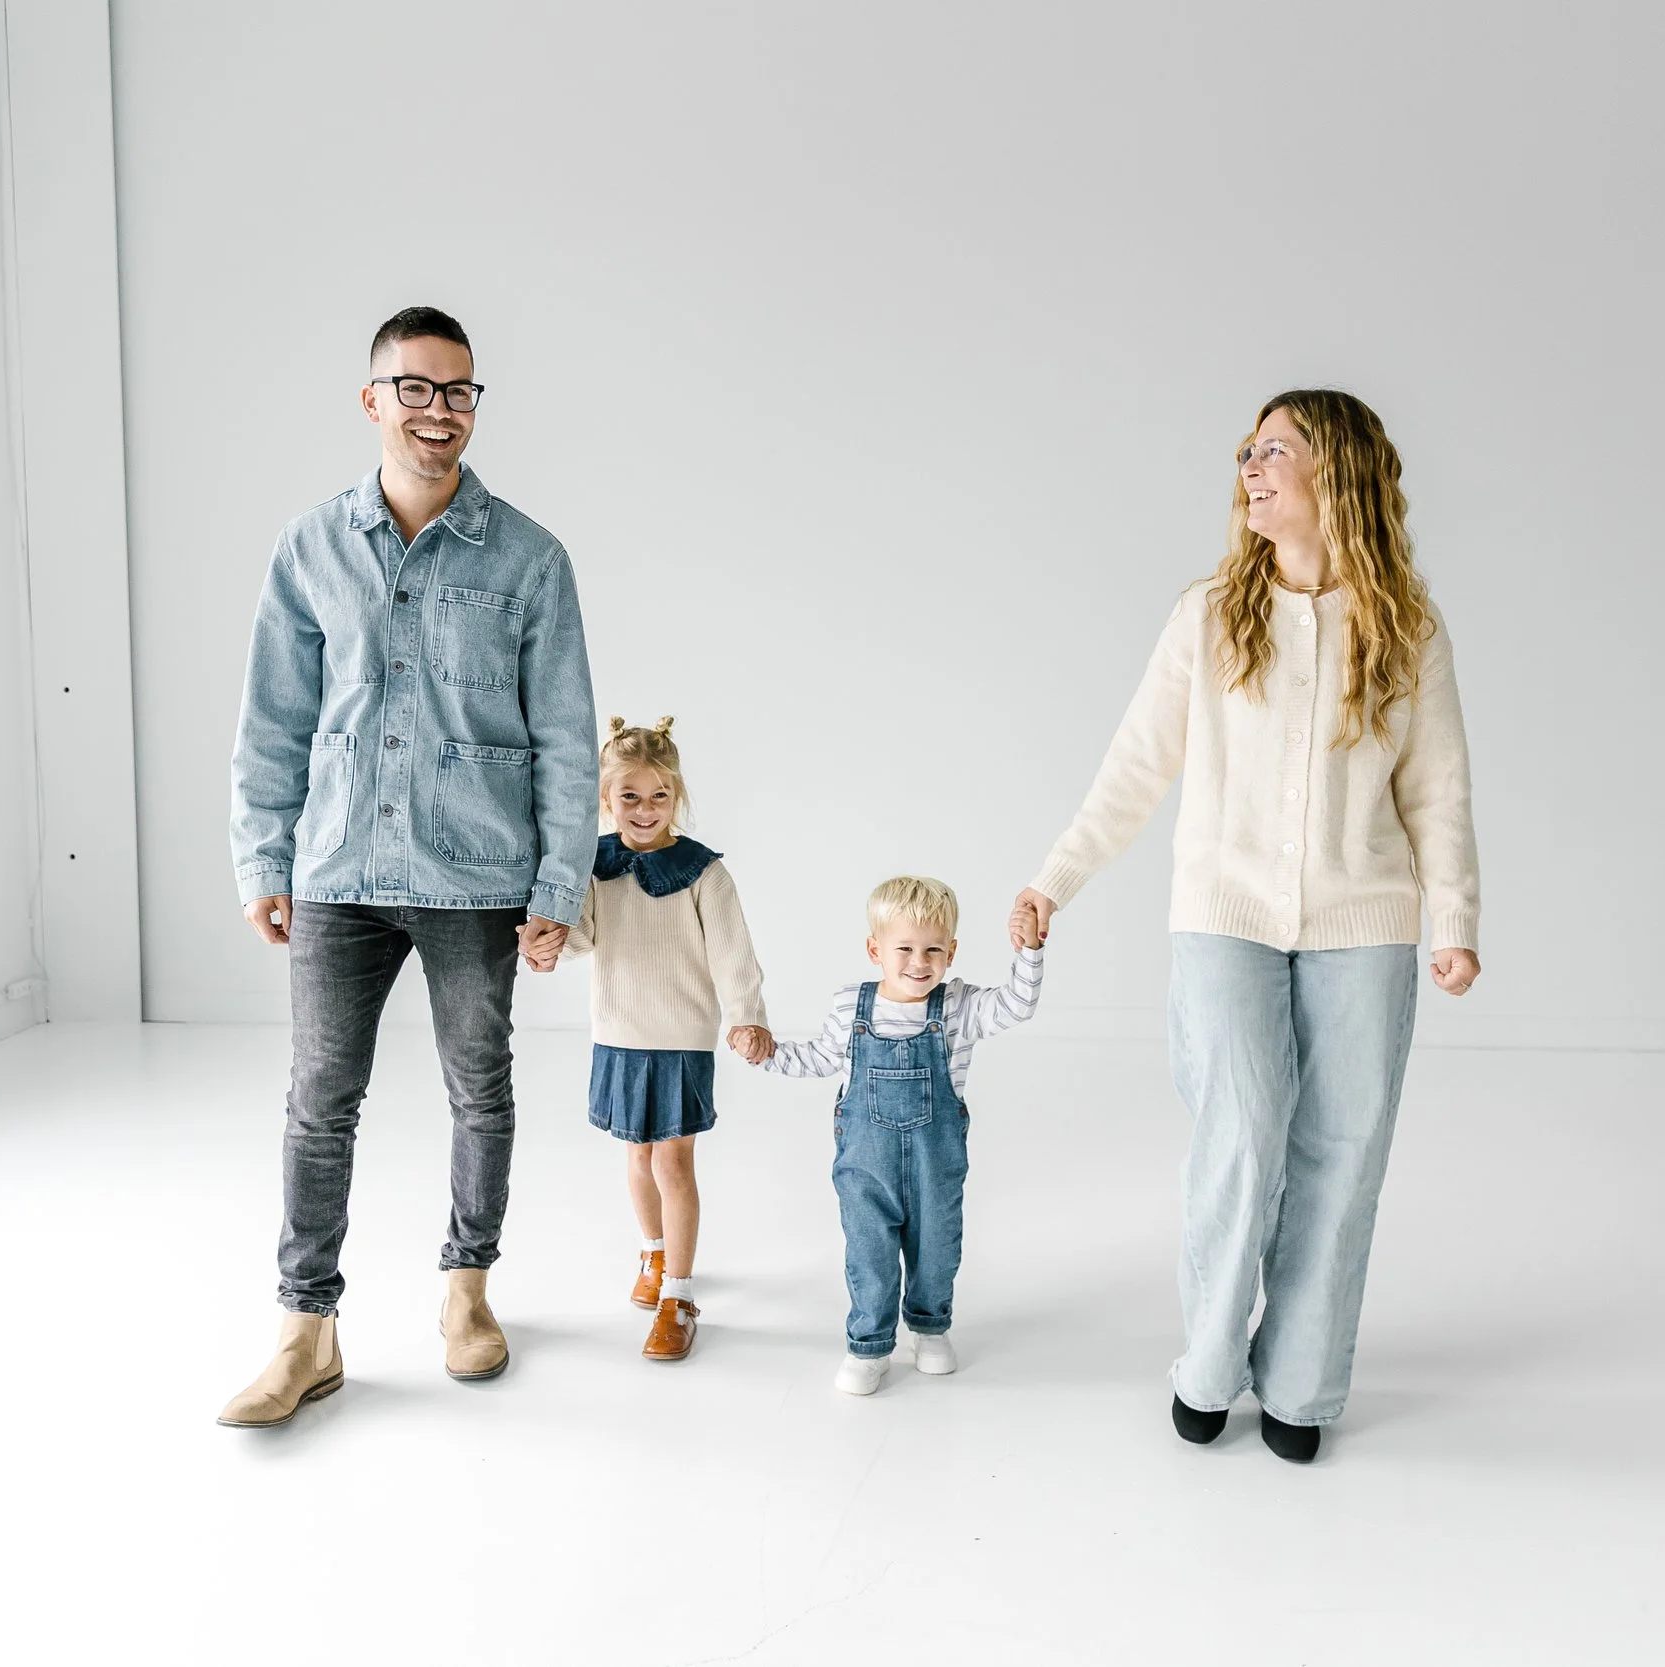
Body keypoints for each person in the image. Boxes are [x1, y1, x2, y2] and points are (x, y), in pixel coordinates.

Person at [1014, 389, 1480, 1463]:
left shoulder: (1408, 626)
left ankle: (1300, 1384)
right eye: (1246, 450)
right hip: (1223, 914)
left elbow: (1439, 791)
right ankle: (1211, 1360)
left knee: (1343, 1149)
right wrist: (1054, 879)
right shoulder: (1210, 613)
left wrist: (1452, 917)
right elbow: (1136, 764)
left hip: (1365, 920)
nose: (1250, 467)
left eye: (1275, 448)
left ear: (1337, 470)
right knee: (1242, 1132)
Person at [218, 306, 599, 1428]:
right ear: (373, 398)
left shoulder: (530, 558)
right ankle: (305, 1329)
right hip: (337, 866)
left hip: (477, 874)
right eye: (418, 388)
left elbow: (567, 737)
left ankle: (467, 1290)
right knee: (318, 1100)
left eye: (459, 390)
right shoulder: (310, 547)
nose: (441, 411)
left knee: (480, 1088)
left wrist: (558, 886)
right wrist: (263, 854)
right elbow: (273, 719)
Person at [756, 877, 1046, 1395]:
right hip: (866, 1166)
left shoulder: (958, 1007)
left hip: (937, 1165)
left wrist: (1028, 950)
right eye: (905, 949)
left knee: (937, 1248)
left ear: (951, 952)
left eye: (934, 950)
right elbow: (819, 1058)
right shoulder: (851, 1007)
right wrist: (768, 1053)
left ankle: (930, 1328)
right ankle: (868, 1345)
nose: (919, 962)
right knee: (869, 1254)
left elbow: (1017, 1005)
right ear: (875, 950)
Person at [554, 717, 774, 1363]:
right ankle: (653, 1253)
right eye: (630, 796)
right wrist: (543, 929)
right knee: (637, 1155)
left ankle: (679, 1295)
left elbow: (733, 953)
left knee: (672, 1163)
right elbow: (580, 937)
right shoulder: (593, 864)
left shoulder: (704, 872)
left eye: (659, 796)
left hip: (681, 1036)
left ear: (676, 795)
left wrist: (747, 1015)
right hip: (618, 1032)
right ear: (606, 798)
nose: (645, 809)